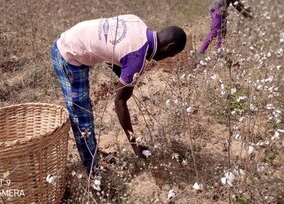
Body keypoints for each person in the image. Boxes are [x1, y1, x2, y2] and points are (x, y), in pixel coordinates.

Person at [50, 14, 186, 188]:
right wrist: (135, 145)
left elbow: (112, 47)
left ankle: (93, 153)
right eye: (171, 55)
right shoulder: (137, 58)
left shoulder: (136, 21)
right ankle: (93, 172)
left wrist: (124, 78)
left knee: (85, 113)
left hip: (71, 38)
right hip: (68, 55)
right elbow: (119, 102)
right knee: (82, 116)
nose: (167, 59)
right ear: (170, 47)